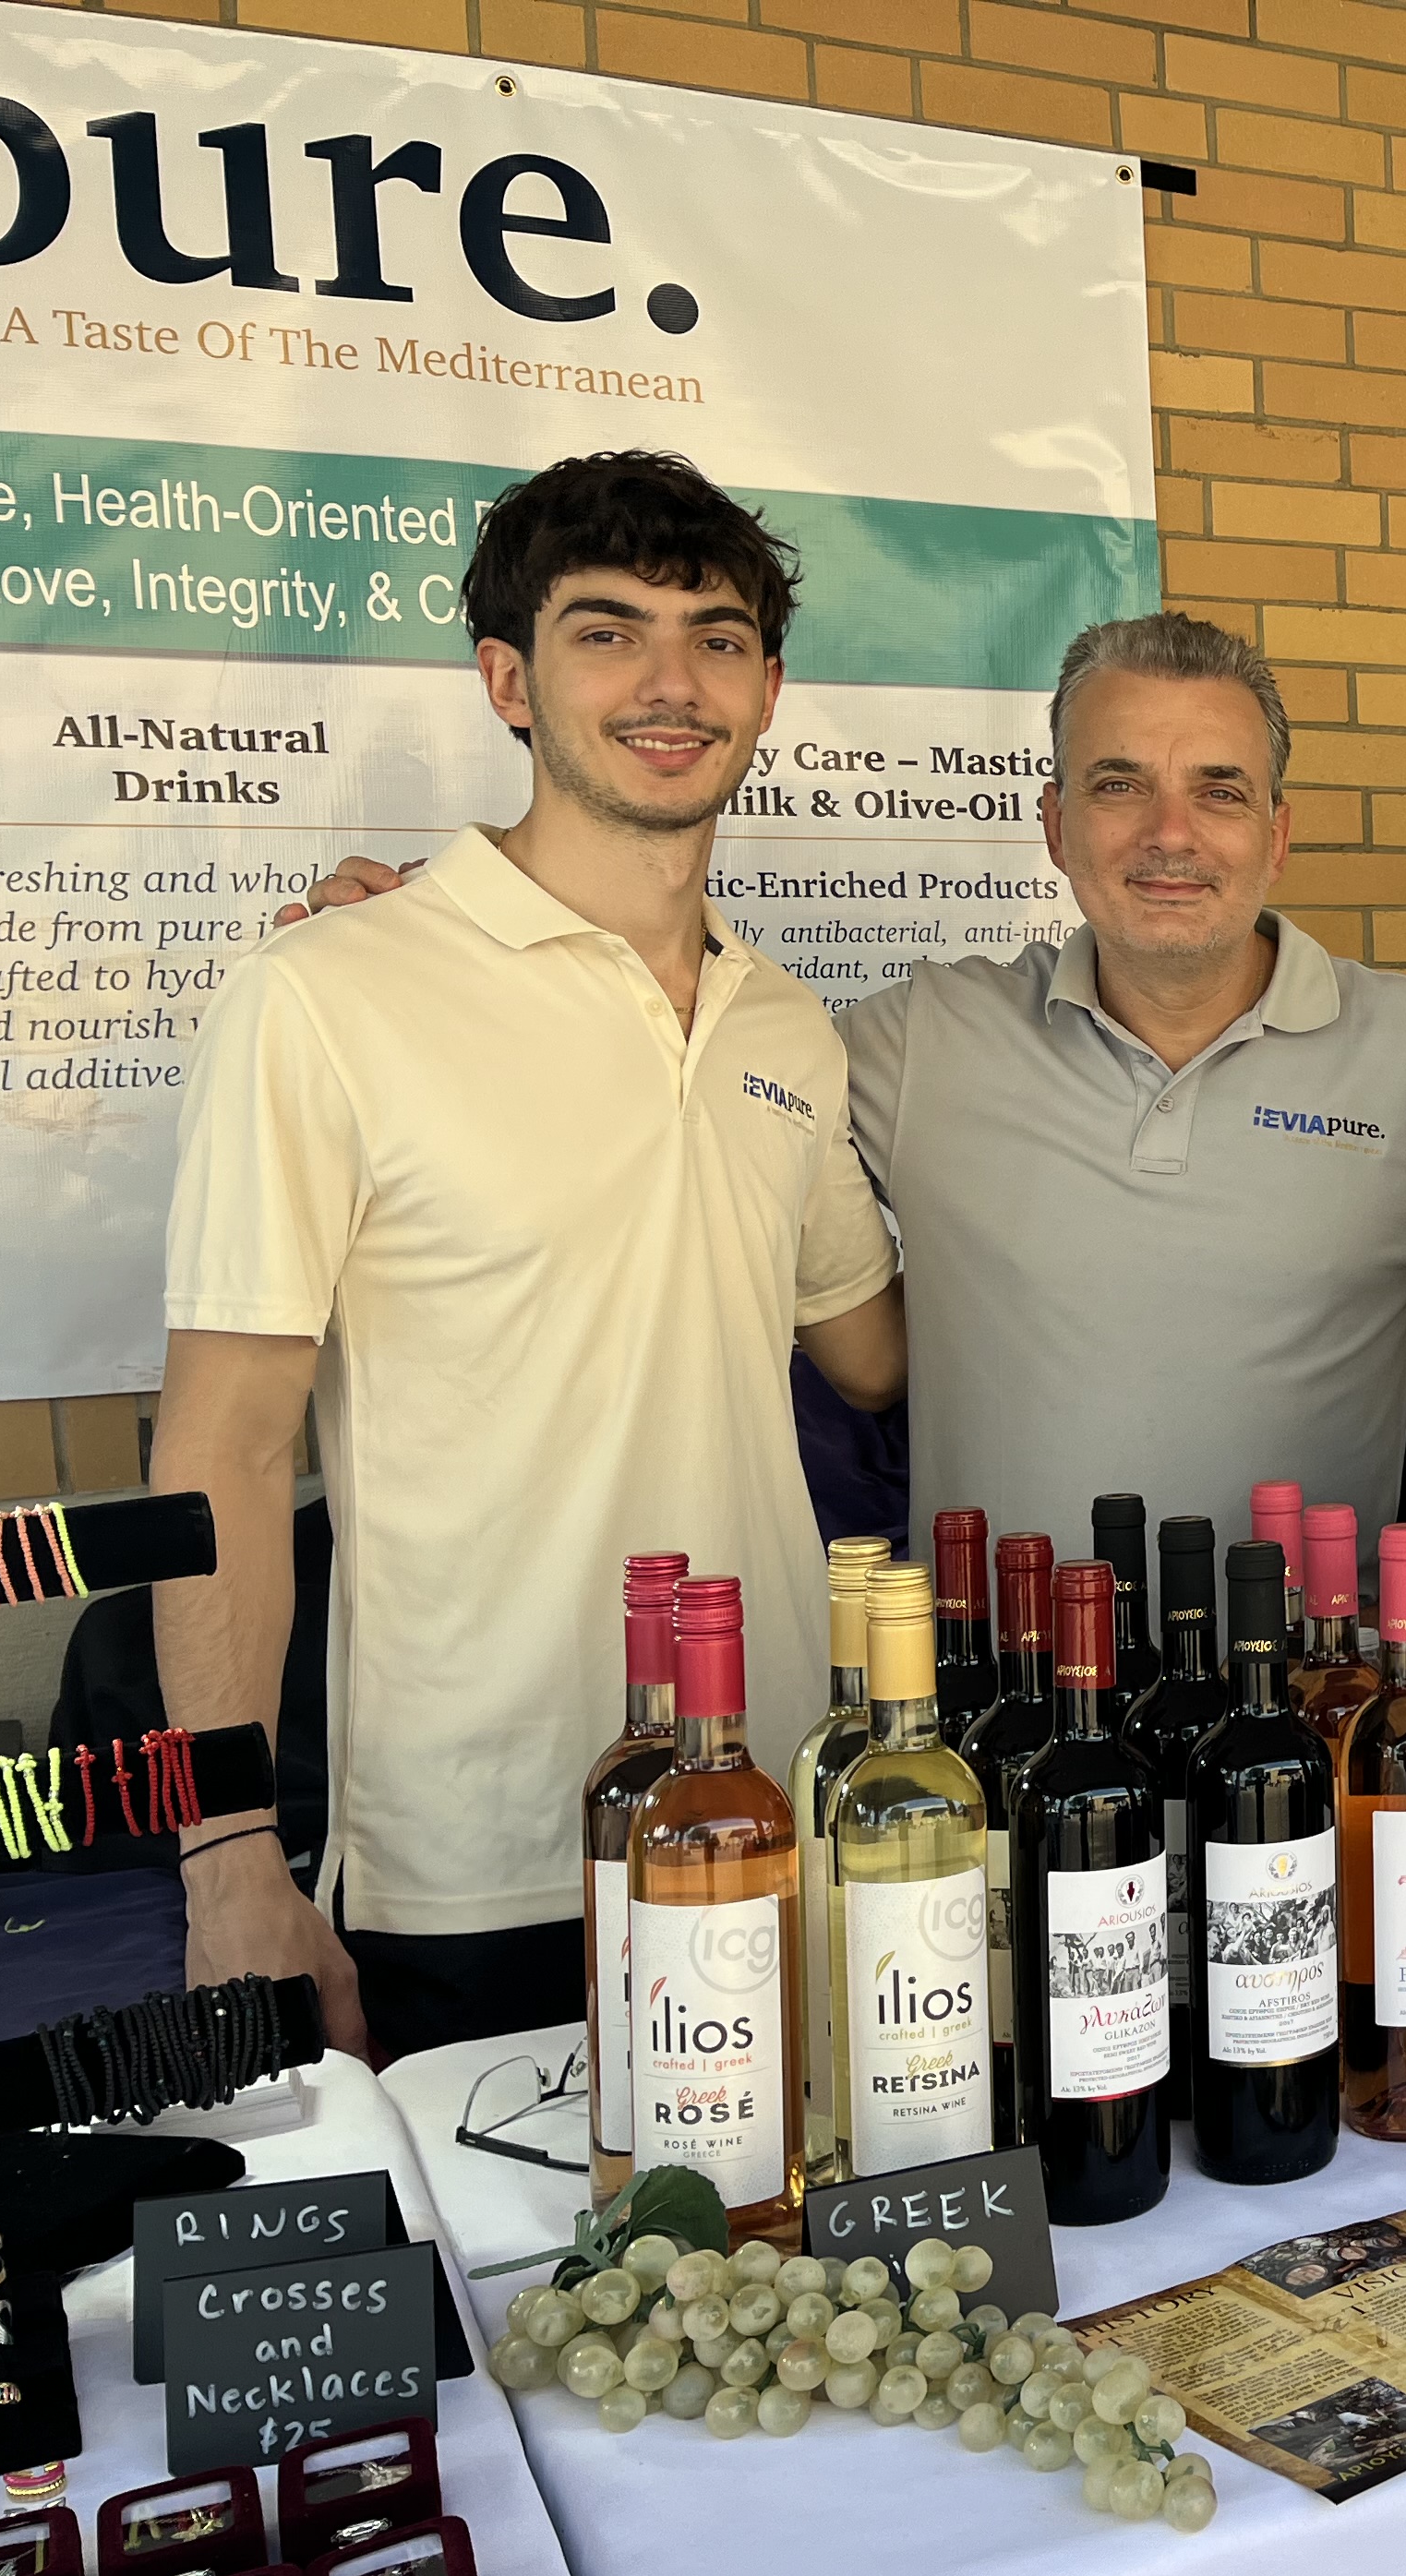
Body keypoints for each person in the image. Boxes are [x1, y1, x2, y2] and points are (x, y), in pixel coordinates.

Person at [298, 610, 1406, 1563]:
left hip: (1298, 1732)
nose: (1169, 835)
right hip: (993, 1732)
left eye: (1218, 792)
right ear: (1051, 826)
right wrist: (448, 952)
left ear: (1276, 832)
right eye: (1118, 786)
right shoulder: (922, 1039)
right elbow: (665, 1056)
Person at [157, 450, 906, 2058]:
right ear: (507, 678)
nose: (668, 681)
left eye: (716, 637)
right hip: (481, 1861)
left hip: (772, 1799)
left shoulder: (784, 1020)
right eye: (605, 631)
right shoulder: (328, 993)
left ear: (769, 689)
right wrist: (226, 1859)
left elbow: (869, 1348)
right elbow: (220, 1445)